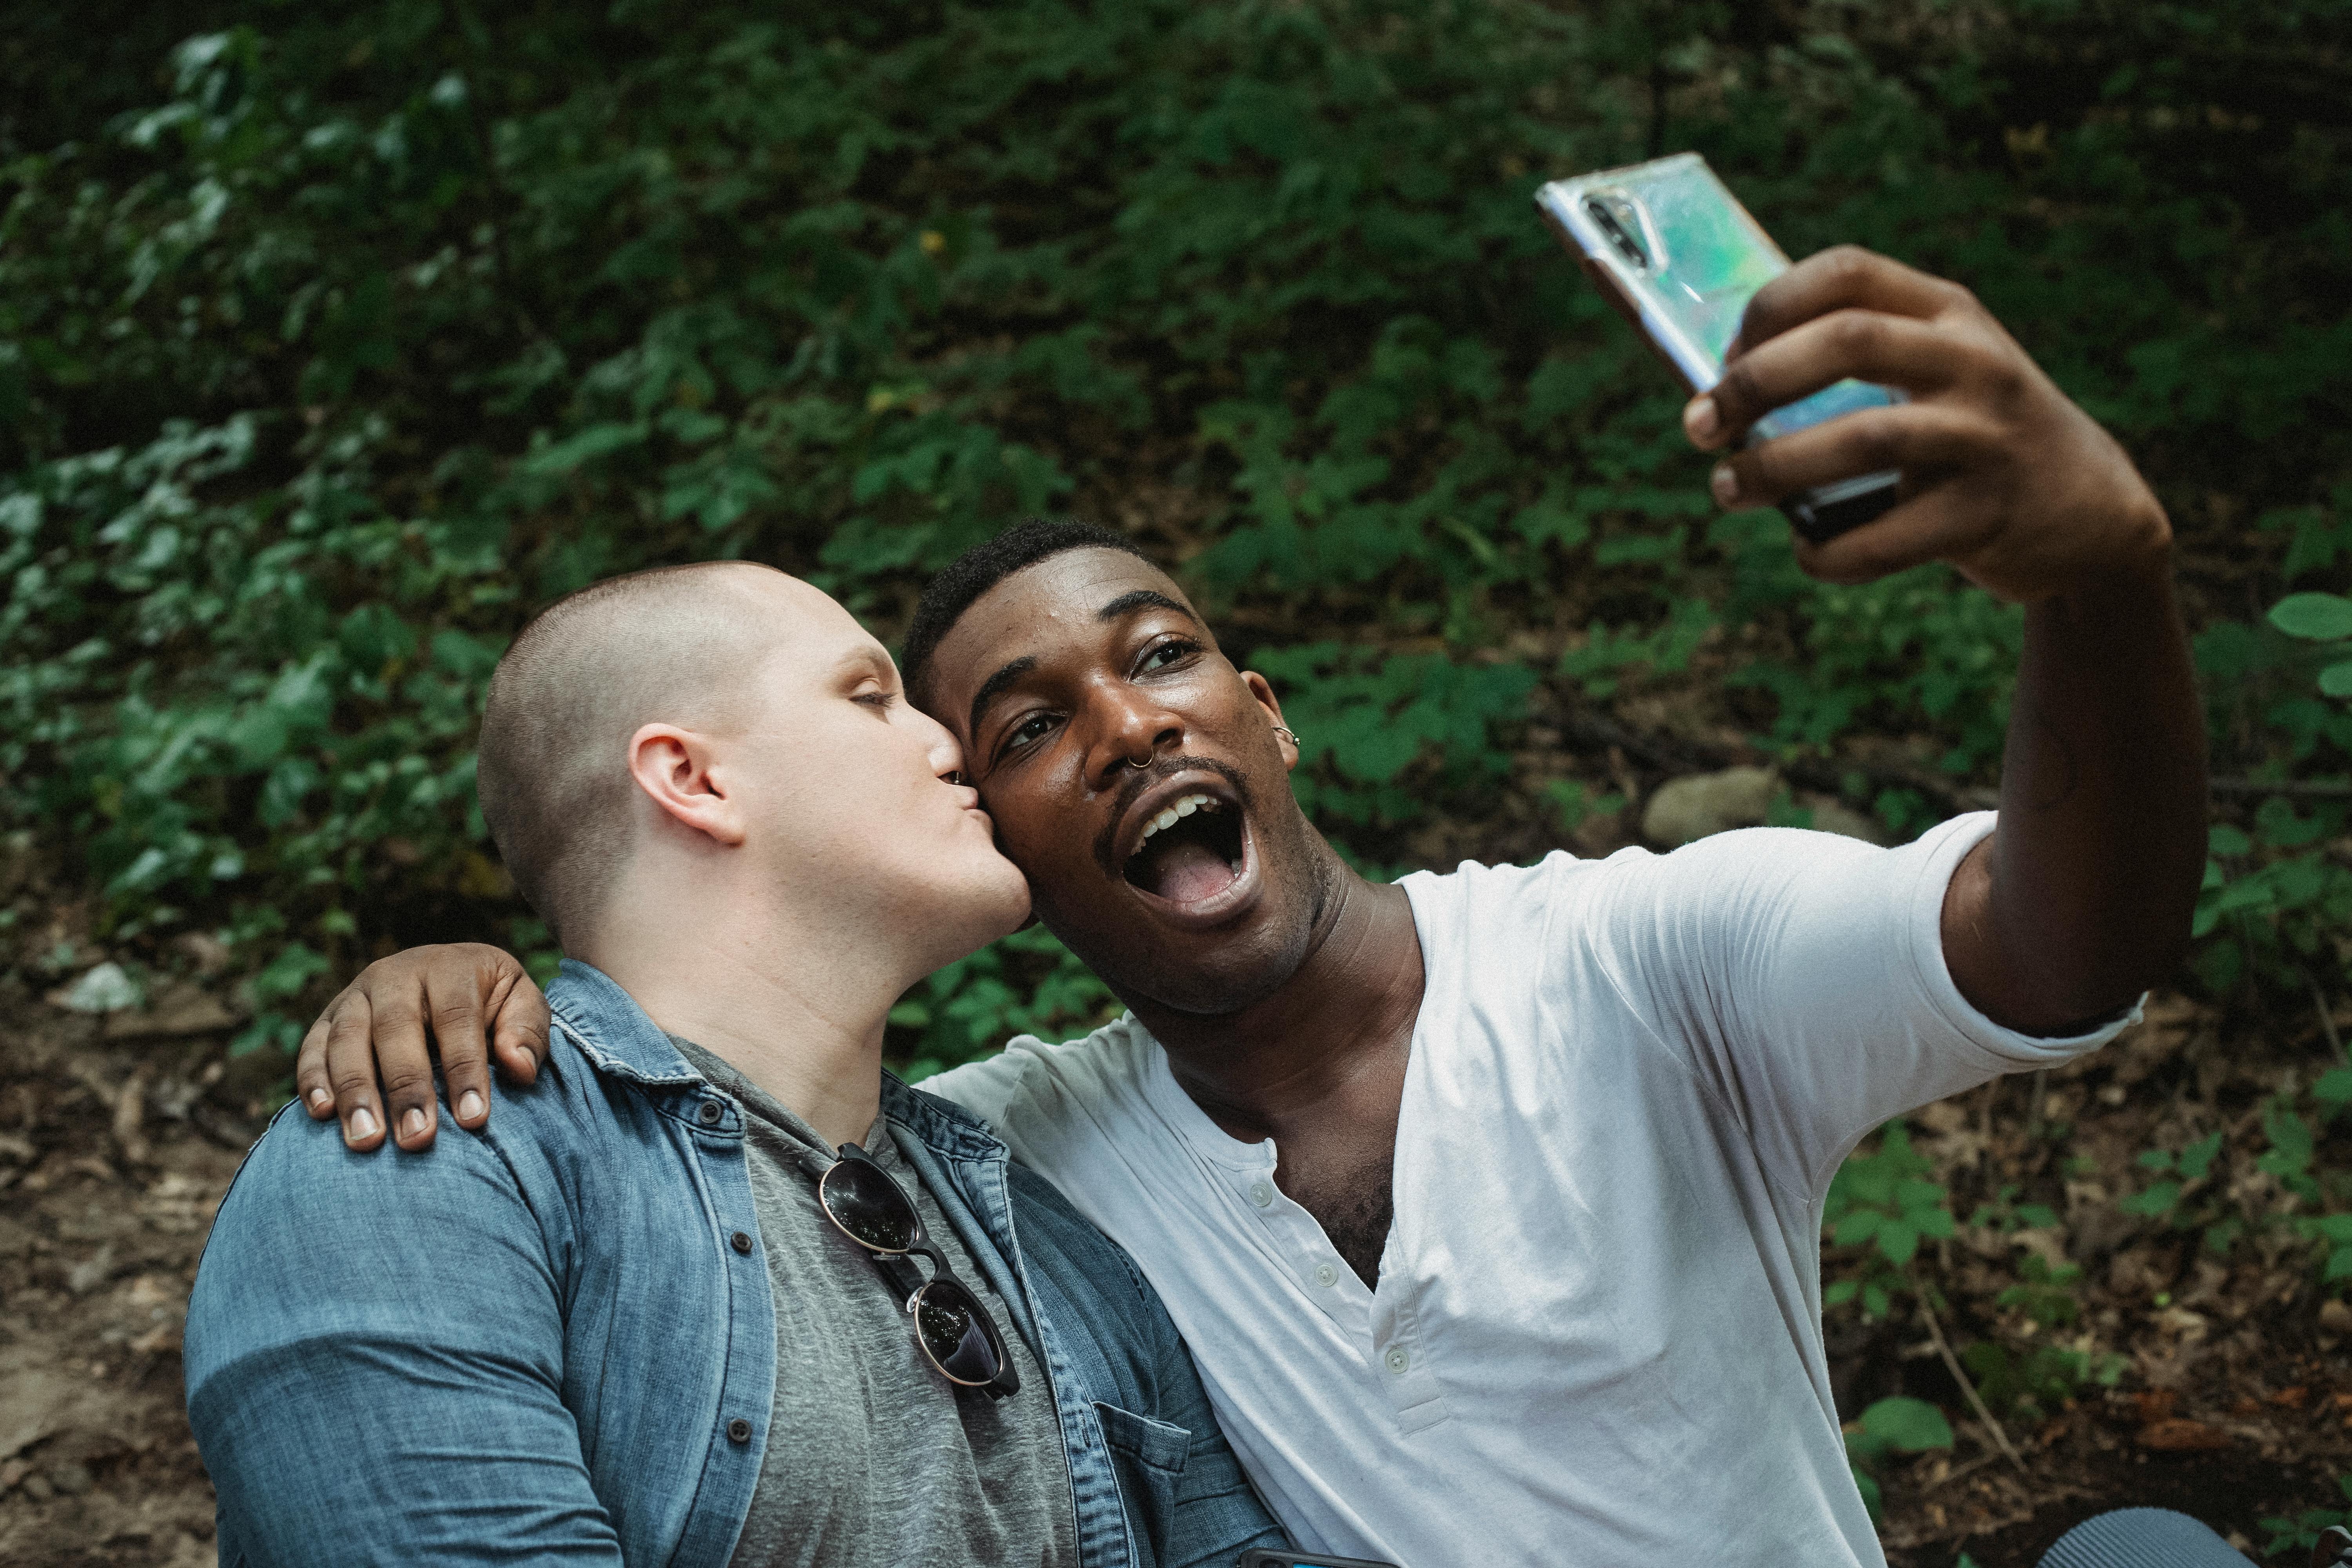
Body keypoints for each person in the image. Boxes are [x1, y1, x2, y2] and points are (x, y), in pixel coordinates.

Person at [297, 247, 2210, 1564]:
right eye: (1026, 723)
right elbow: (730, 1115)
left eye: (1165, 658)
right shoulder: (995, 1164)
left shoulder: (1636, 964)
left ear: (1264, 718)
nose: (1128, 724)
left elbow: (2055, 947)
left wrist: (2103, 578)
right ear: (999, 840)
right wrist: (467, 981)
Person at [184, 563, 1285, 1567]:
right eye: (869, 697)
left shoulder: (1041, 1228)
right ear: (692, 779)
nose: (952, 746)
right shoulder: (423, 1161)